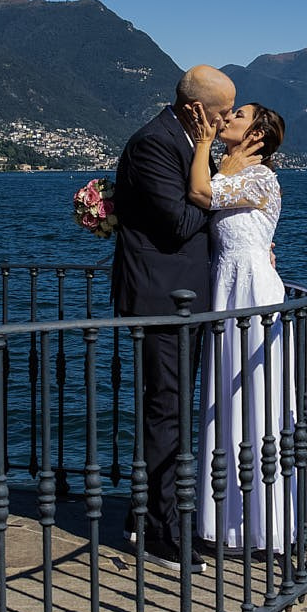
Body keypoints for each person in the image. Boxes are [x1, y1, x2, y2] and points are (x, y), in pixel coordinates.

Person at [111, 64, 236, 568]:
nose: (227, 120)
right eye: (222, 111)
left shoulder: (178, 140)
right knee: (167, 412)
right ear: (194, 109)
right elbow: (182, 222)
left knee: (173, 410)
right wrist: (216, 182)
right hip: (163, 299)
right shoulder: (155, 144)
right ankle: (161, 533)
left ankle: (144, 517)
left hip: (183, 297)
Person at [186, 101, 295, 555]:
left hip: (251, 291)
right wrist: (217, 156)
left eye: (239, 115)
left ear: (258, 135)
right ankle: (226, 523)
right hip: (227, 286)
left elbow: (200, 195)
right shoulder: (232, 170)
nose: (227, 117)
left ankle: (264, 526)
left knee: (254, 396)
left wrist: (208, 146)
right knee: (225, 397)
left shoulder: (259, 177)